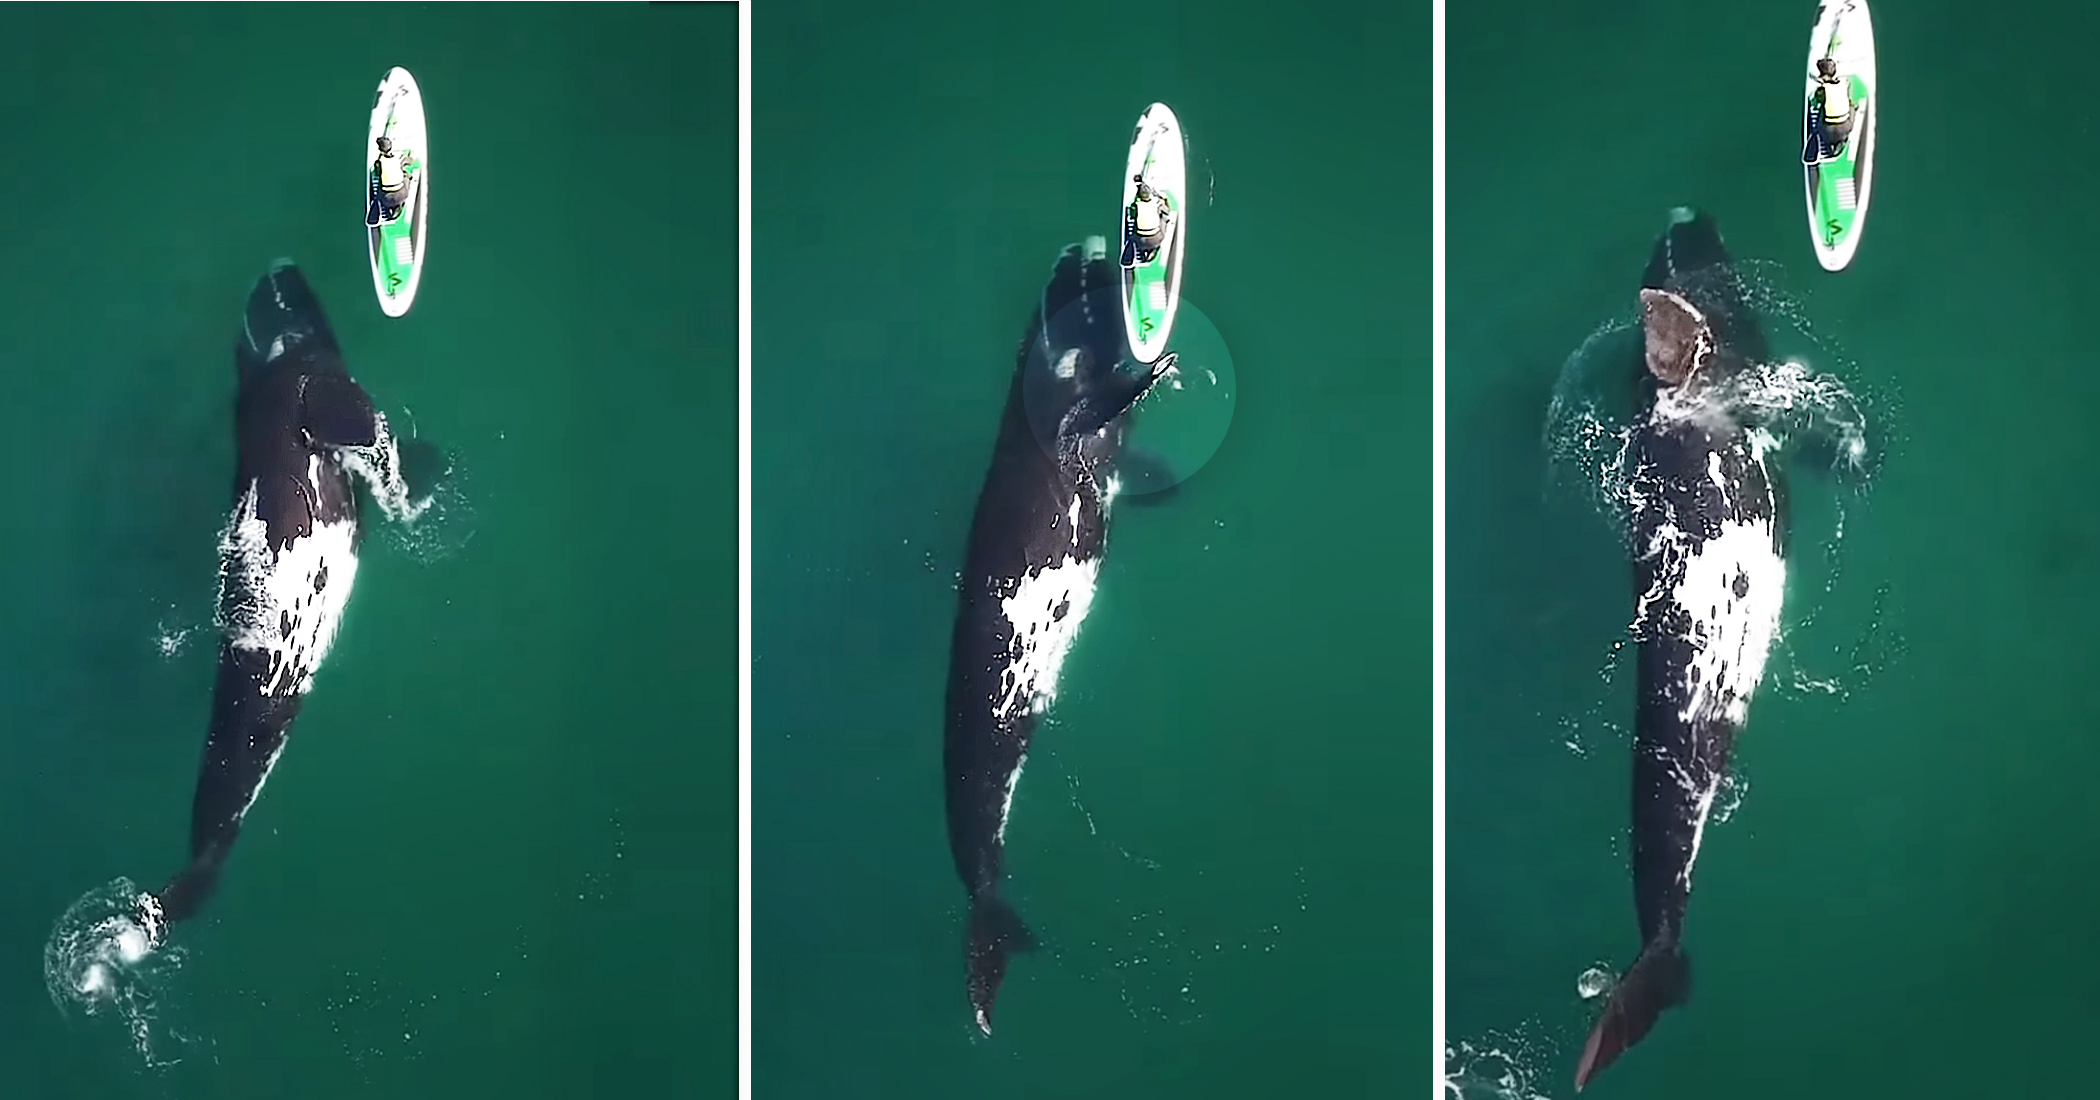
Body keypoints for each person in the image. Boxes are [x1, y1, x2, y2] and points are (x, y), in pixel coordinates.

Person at [1804, 57, 1855, 165]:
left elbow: (1814, 103)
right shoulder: (1844, 85)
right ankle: (1842, 142)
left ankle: (1828, 146)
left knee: (1821, 110)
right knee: (1851, 106)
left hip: (1828, 132)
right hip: (1845, 129)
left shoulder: (1822, 90)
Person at [1122, 176, 1171, 266]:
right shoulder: (1156, 203)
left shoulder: (1136, 205)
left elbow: (1132, 214)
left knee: (1134, 224)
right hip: (1155, 239)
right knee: (1164, 217)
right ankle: (1153, 250)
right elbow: (1167, 211)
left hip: (1140, 240)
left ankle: (1137, 249)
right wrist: (1164, 199)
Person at [370, 135, 411, 223]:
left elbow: (376, 173)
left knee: (381, 184)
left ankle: (389, 209)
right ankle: (398, 206)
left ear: (380, 150)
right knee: (406, 178)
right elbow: (408, 161)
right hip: (402, 194)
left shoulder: (379, 162)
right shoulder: (398, 158)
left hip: (386, 198)